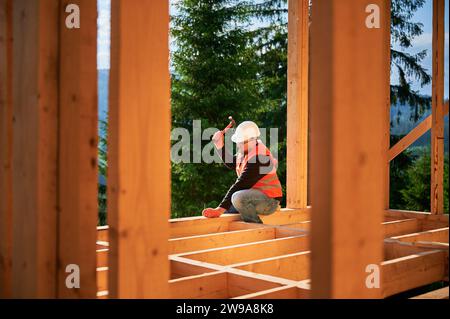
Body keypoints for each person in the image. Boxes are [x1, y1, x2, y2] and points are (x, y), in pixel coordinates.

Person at [202, 121, 282, 223]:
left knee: (237, 198)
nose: (238, 145)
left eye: (241, 142)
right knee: (229, 213)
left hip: (269, 201)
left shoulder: (260, 157)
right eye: (238, 142)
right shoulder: (246, 151)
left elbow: (241, 184)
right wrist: (219, 145)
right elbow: (232, 162)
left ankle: (255, 227)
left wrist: (219, 209)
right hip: (252, 199)